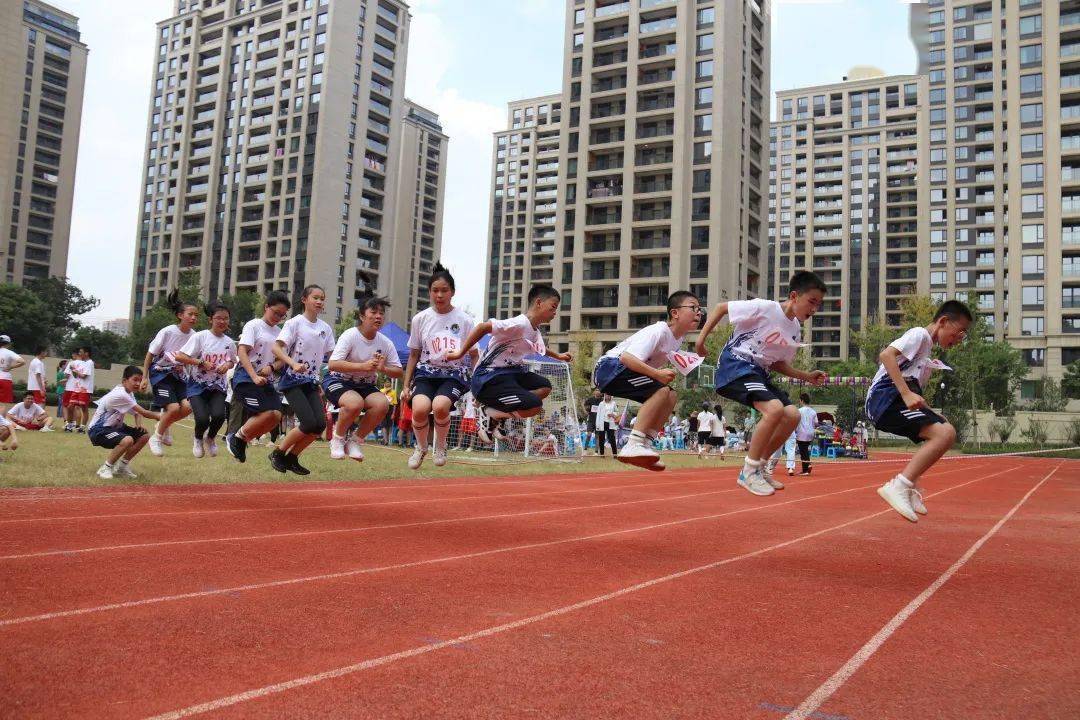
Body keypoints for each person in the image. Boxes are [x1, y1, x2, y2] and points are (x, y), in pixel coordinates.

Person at [695, 271, 829, 497]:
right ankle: (748, 472)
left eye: (819, 304)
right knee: (774, 409)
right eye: (812, 302)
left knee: (792, 415)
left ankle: (761, 468)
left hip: (759, 372)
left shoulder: (795, 329)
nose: (814, 309)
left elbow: (777, 364)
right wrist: (700, 341)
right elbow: (720, 308)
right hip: (735, 364)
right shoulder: (766, 308)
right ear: (794, 296)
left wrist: (805, 376)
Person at [868, 300, 971, 522]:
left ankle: (909, 486)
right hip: (883, 401)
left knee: (943, 431)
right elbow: (886, 356)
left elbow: (913, 389)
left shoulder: (926, 352)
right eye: (958, 333)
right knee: (945, 433)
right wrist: (905, 394)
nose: (958, 340)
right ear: (943, 321)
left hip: (894, 400)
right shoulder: (920, 335)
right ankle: (899, 486)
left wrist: (930, 411)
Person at [446, 285, 571, 443]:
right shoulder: (518, 324)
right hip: (488, 378)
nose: (555, 313)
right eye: (553, 307)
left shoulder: (535, 331)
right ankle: (488, 412)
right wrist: (460, 353)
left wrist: (559, 356)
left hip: (511, 374)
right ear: (539, 302)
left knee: (544, 387)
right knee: (534, 406)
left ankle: (495, 417)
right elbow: (482, 327)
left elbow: (541, 349)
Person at [591, 290, 701, 470]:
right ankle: (632, 444)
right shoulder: (658, 331)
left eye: (700, 309)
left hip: (622, 370)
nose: (698, 312)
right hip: (609, 368)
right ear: (675, 313)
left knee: (671, 396)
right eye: (693, 307)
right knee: (662, 390)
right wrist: (657, 375)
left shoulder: (678, 340)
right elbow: (627, 358)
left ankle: (645, 445)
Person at [401, 262, 478, 469]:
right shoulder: (420, 319)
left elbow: (474, 354)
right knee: (419, 409)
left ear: (452, 292)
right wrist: (406, 385)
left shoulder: (465, 320)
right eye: (435, 290)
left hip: (454, 373)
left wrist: (477, 383)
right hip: (426, 372)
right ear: (429, 292)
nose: (440, 295)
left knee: (440, 406)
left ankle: (440, 446)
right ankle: (421, 447)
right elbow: (414, 354)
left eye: (444, 290)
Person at [323, 291, 403, 461]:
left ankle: (355, 440)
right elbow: (333, 364)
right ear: (362, 315)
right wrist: (363, 366)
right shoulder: (350, 335)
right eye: (373, 312)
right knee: (354, 404)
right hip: (338, 380)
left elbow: (398, 371)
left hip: (364, 384)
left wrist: (383, 368)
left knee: (382, 404)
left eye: (381, 313)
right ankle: (337, 439)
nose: (378, 317)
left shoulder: (385, 342)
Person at [270, 285, 335, 474]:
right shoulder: (294, 323)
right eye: (315, 297)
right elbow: (276, 348)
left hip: (311, 382)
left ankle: (292, 458)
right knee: (307, 423)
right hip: (292, 380)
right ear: (304, 300)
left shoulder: (325, 328)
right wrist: (293, 363)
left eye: (322, 298)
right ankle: (278, 453)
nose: (319, 301)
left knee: (320, 425)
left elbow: (333, 356)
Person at [226, 291, 291, 465]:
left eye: (282, 315)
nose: (278, 317)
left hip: (265, 381)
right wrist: (253, 375)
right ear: (266, 307)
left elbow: (280, 360)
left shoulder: (279, 332)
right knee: (267, 413)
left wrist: (271, 367)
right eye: (275, 312)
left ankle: (242, 439)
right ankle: (236, 437)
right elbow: (242, 351)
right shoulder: (253, 325)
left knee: (276, 416)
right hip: (245, 378)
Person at [175, 302, 236, 460]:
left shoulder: (229, 342)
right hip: (198, 385)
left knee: (219, 416)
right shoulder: (200, 337)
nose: (222, 322)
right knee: (202, 418)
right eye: (218, 318)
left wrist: (227, 365)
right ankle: (197, 439)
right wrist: (201, 362)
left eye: (226, 318)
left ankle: (210, 438)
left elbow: (232, 361)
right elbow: (180, 356)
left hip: (218, 386)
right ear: (210, 319)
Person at [142, 290, 198, 455]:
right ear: (180, 315)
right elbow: (150, 354)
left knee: (188, 407)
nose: (194, 318)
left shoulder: (195, 336)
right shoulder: (167, 331)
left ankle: (162, 424)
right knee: (173, 408)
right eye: (190, 314)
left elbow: (190, 360)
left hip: (179, 376)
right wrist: (145, 377)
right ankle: (157, 437)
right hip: (160, 373)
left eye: (196, 315)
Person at [87, 366, 161, 480]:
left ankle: (122, 467)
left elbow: (137, 413)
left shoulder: (129, 393)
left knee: (144, 435)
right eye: (135, 380)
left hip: (114, 428)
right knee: (128, 440)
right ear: (124, 381)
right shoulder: (121, 394)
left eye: (140, 380)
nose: (138, 383)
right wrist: (162, 417)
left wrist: (139, 425)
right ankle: (106, 467)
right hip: (98, 430)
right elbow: (144, 412)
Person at [63, 346, 94, 433]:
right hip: (77, 388)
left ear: (86, 353)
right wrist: (73, 370)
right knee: (70, 406)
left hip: (85, 389)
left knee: (84, 408)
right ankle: (69, 426)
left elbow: (84, 376)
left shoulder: (89, 363)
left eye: (81, 352)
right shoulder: (83, 363)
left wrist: (74, 370)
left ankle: (82, 428)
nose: (79, 354)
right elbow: (77, 376)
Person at [0, 334, 26, 411]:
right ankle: (2, 421)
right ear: (8, 343)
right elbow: (22, 361)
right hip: (5, 378)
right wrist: (10, 367)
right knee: (4, 403)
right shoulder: (9, 352)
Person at [795, 392, 818, 475]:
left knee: (803, 451)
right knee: (805, 450)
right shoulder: (813, 412)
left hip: (802, 433)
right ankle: (807, 466)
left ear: (802, 400)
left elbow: (795, 421)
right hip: (810, 433)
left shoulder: (799, 411)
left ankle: (806, 468)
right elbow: (816, 423)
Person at [594, 393, 618, 457]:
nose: (608, 396)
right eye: (607, 395)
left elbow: (617, 412)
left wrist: (613, 414)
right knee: (601, 438)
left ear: (611, 396)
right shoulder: (601, 404)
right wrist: (597, 425)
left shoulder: (614, 403)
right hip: (602, 422)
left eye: (609, 395)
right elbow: (598, 415)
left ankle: (615, 454)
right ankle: (602, 454)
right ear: (605, 396)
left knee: (612, 438)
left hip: (610, 423)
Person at [583, 389, 602, 454]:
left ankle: (596, 452)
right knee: (589, 434)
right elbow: (584, 404)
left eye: (599, 390)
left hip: (599, 421)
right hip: (591, 420)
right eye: (596, 390)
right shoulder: (590, 399)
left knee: (597, 436)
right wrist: (585, 411)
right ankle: (585, 449)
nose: (597, 391)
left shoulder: (602, 400)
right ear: (594, 392)